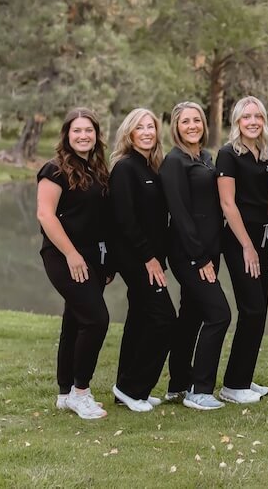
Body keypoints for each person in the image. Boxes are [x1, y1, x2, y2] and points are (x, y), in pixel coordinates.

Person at [36, 107, 111, 420]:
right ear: (67, 135)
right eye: (77, 130)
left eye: (89, 130)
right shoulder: (54, 169)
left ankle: (65, 393)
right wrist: (71, 254)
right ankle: (81, 393)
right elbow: (45, 215)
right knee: (96, 320)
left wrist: (106, 262)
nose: (83, 136)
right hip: (63, 256)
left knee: (75, 321)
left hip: (93, 256)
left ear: (96, 135)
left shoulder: (96, 168)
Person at [160, 101, 231, 410]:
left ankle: (177, 385)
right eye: (185, 121)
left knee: (191, 316)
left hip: (209, 250)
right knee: (219, 314)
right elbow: (180, 214)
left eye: (197, 120)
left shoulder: (205, 157)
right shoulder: (174, 162)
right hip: (189, 253)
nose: (192, 126)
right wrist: (200, 258)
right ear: (176, 127)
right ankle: (200, 390)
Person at [108, 108, 175, 412]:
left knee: (139, 319)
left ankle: (125, 387)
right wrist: (149, 258)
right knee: (164, 319)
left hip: (151, 257)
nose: (147, 132)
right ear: (129, 133)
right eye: (140, 127)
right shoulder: (125, 168)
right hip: (136, 259)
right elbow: (124, 219)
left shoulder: (152, 167)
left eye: (151, 127)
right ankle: (133, 388)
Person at [216, 96, 268, 404]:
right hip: (240, 240)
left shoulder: (266, 154)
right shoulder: (228, 154)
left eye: (257, 116)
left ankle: (243, 377)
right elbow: (228, 204)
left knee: (259, 311)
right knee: (251, 309)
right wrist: (247, 246)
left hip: (264, 239)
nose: (253, 122)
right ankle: (233, 386)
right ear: (237, 121)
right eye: (246, 117)